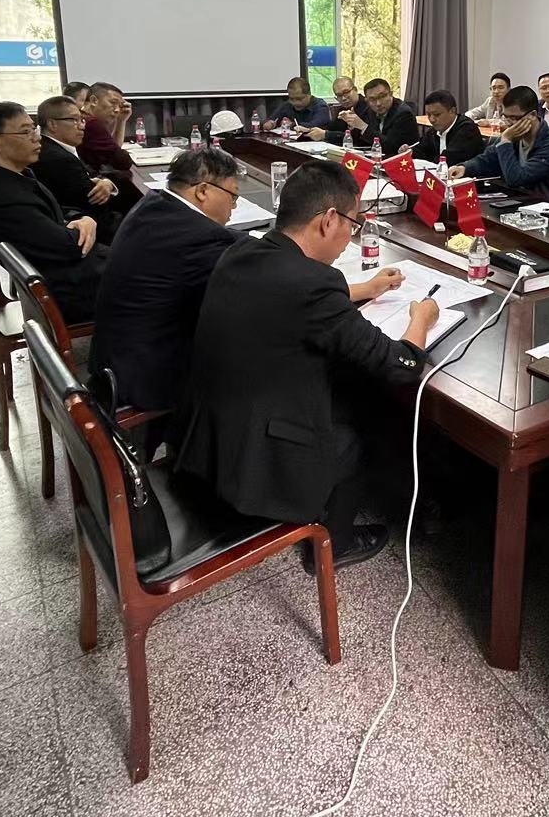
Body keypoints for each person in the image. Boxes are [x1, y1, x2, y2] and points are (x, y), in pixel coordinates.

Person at [178, 162, 439, 569]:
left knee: (347, 385)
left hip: (211, 437)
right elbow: (402, 364)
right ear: (328, 219)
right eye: (352, 224)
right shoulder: (313, 285)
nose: (350, 235)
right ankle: (334, 545)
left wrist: (366, 289)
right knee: (364, 425)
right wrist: (421, 318)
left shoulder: (243, 251)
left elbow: (288, 297)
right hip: (256, 460)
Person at [88, 148, 243, 456]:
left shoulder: (153, 205)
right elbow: (250, 270)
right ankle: (212, 459)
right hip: (144, 373)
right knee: (251, 357)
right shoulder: (197, 235)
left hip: (114, 356)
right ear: (202, 191)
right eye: (233, 196)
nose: (235, 206)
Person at [0, 101, 105, 321]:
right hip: (68, 292)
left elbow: (55, 210)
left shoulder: (12, 174)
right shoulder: (1, 198)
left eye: (34, 129)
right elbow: (69, 247)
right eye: (25, 132)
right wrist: (87, 223)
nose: (37, 138)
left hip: (70, 273)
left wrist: (81, 218)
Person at [449, 85, 549, 198]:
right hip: (517, 197)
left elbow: (516, 179)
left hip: (541, 203)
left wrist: (506, 141)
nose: (508, 123)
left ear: (532, 115)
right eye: (505, 116)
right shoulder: (515, 134)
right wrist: (464, 168)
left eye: (514, 118)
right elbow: (488, 158)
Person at [34, 95, 124, 243]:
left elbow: (92, 175)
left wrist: (106, 182)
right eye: (74, 120)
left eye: (82, 120)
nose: (82, 126)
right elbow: (97, 203)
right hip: (90, 231)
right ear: (52, 124)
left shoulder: (55, 147)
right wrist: (110, 186)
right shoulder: (59, 159)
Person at [77, 81, 143, 212]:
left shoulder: (84, 118)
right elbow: (123, 161)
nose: (117, 110)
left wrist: (121, 121)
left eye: (120, 105)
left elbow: (113, 152)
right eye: (113, 103)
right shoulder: (91, 124)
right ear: (94, 100)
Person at [309, 77, 418, 155]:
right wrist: (353, 127)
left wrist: (362, 126)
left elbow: (390, 147)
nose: (378, 103)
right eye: (372, 99)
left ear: (391, 94)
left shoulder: (403, 113)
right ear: (367, 100)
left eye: (382, 96)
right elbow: (358, 139)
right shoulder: (370, 110)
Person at [412, 90, 486, 166]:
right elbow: (420, 151)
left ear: (452, 111)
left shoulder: (467, 129)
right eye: (428, 115)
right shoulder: (433, 131)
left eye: (437, 114)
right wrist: (409, 152)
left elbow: (448, 160)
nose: (432, 119)